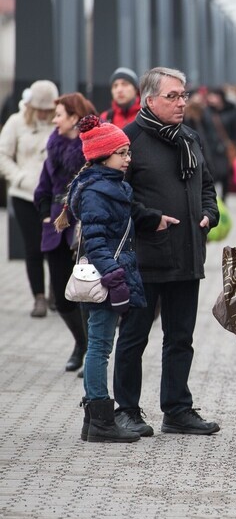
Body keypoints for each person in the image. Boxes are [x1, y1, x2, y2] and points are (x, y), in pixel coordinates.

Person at [113, 67, 221, 438]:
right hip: (145, 259)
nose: (181, 103)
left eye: (183, 95)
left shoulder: (189, 138)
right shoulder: (129, 139)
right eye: (172, 96)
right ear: (149, 100)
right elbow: (116, 195)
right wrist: (150, 218)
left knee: (180, 338)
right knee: (134, 337)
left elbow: (207, 186)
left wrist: (209, 214)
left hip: (187, 255)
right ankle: (126, 410)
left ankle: (177, 410)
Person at [57, 114, 146, 442]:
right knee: (99, 347)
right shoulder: (97, 191)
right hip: (105, 278)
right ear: (102, 155)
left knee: (100, 344)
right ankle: (100, 420)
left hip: (111, 275)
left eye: (128, 152)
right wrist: (114, 278)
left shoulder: (110, 185)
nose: (127, 158)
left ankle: (93, 421)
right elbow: (94, 242)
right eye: (121, 153)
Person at [35, 92, 97, 372]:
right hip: (56, 228)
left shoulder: (93, 147)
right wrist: (45, 213)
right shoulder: (53, 146)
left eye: (59, 115)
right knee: (61, 299)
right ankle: (81, 343)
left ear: (74, 118)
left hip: (84, 228)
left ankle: (92, 353)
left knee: (85, 293)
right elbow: (43, 187)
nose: (54, 120)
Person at [0, 80, 59, 318]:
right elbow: (3, 154)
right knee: (33, 247)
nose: (43, 114)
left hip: (54, 197)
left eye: (48, 109)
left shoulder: (59, 123)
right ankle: (39, 297)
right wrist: (19, 177)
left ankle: (56, 292)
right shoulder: (16, 122)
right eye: (39, 109)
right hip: (25, 194)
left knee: (56, 246)